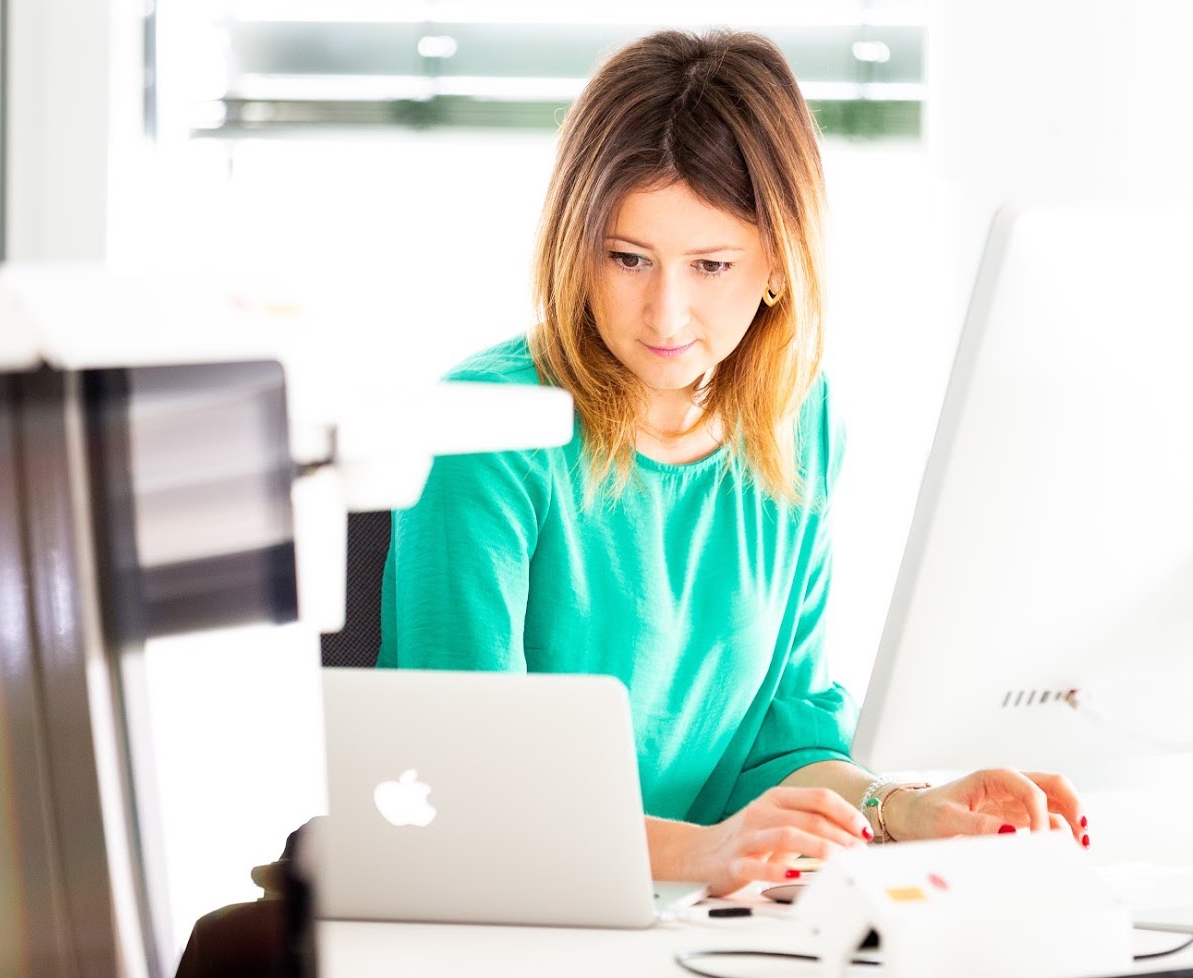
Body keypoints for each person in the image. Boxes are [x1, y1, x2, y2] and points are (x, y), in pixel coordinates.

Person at [376, 28, 1087, 896]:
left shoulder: (800, 420)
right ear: (576, 246)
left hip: (701, 913)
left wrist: (904, 808)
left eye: (711, 265)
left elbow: (780, 745)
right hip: (513, 905)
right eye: (627, 257)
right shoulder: (485, 433)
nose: (665, 313)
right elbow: (467, 788)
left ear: (779, 264)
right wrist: (702, 854)